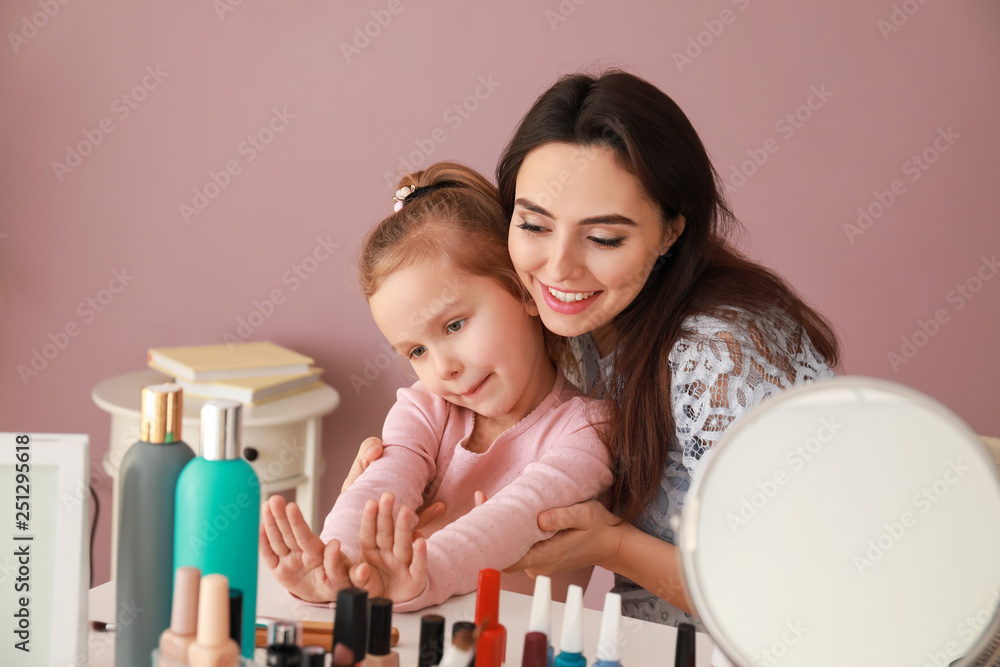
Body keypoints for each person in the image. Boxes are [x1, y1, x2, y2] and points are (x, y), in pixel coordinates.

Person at [342, 71, 840, 626]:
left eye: (604, 238)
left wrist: (614, 546)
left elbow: (800, 594)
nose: (558, 269)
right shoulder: (568, 334)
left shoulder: (721, 360)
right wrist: (395, 493)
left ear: (671, 231)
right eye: (533, 225)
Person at [259, 162, 613, 611]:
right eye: (416, 352)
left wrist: (417, 577)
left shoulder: (588, 431)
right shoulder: (426, 409)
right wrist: (338, 562)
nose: (442, 367)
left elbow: (513, 519)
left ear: (525, 290)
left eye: (455, 324)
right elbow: (382, 485)